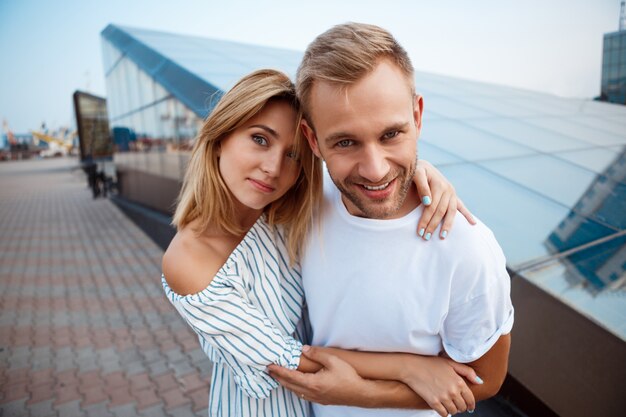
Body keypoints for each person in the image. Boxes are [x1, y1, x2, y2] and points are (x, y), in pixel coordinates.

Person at [162, 69, 482, 417]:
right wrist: (411, 367)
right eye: (260, 139)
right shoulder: (187, 260)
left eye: (294, 155)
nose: (273, 167)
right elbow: (287, 362)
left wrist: (423, 172)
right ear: (220, 136)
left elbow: (370, 174)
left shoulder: (287, 210)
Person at [268, 23, 514, 417]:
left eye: (391, 134)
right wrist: (407, 369)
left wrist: (363, 394)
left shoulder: (468, 250)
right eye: (345, 142)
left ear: (417, 116)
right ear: (313, 141)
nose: (375, 169)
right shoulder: (302, 204)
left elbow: (485, 379)